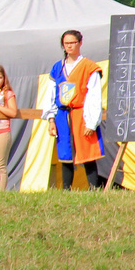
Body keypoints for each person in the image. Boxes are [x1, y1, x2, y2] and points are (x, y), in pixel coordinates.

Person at [46, 29, 104, 190]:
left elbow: (94, 96)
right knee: (65, 153)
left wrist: (91, 122)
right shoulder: (58, 67)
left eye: (73, 43)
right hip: (62, 114)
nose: (70, 46)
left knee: (87, 152)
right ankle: (66, 190)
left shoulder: (89, 67)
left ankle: (94, 189)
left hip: (81, 113)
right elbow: (51, 94)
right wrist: (51, 119)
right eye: (66, 43)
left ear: (80, 43)